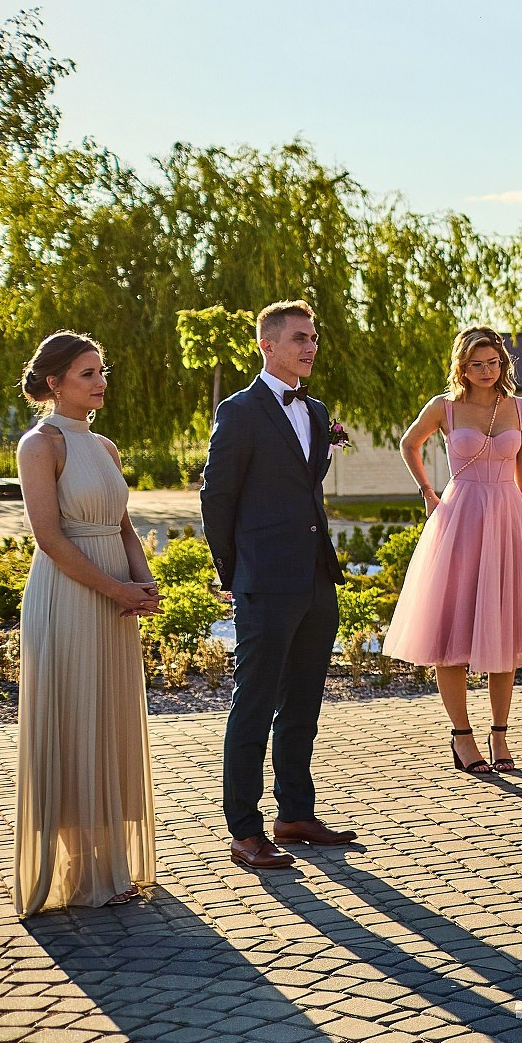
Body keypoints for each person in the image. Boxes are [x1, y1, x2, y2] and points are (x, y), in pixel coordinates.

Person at [201, 300, 356, 871]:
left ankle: (294, 813)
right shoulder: (239, 411)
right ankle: (243, 827)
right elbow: (216, 499)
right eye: (298, 337)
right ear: (267, 345)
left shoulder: (316, 411)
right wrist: (234, 574)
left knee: (304, 703)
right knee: (255, 703)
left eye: (313, 337)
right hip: (263, 581)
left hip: (316, 576)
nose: (309, 346)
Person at [11, 332, 160, 915]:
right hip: (69, 593)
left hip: (116, 595)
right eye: (87, 373)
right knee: (74, 711)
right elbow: (48, 538)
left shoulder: (107, 446)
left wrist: (142, 584)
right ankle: (75, 869)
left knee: (110, 715)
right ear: (55, 383)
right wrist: (116, 587)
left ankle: (110, 862)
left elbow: (123, 527)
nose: (101, 382)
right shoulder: (38, 444)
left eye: (102, 371)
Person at [385, 327, 522, 774]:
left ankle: (500, 734)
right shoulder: (444, 407)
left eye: (493, 363)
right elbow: (409, 444)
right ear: (462, 367)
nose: (486, 371)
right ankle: (462, 737)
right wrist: (428, 492)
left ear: (503, 364)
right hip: (460, 518)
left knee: (504, 630)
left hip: (508, 520)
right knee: (450, 632)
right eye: (477, 364)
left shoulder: (521, 409)